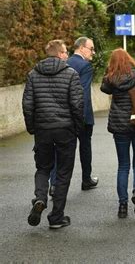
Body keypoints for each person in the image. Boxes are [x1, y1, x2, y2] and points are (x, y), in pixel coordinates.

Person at [22, 39, 83, 229]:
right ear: (58, 53)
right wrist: (77, 128)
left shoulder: (33, 74)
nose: (67, 55)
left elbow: (27, 105)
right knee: (63, 173)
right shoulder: (71, 74)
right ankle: (56, 217)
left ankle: (40, 198)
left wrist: (32, 127)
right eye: (65, 52)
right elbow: (77, 105)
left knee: (43, 168)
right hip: (65, 130)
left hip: (43, 130)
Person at [100, 48, 135, 219]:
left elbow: (104, 88)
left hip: (120, 127)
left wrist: (108, 71)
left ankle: (122, 205)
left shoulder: (111, 78)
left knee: (123, 165)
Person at [49, 36, 99, 193]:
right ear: (82, 48)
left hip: (62, 115)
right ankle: (86, 180)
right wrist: (80, 118)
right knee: (85, 147)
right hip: (81, 117)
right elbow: (82, 94)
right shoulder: (85, 66)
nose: (93, 53)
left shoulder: (64, 63)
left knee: (59, 149)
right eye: (91, 49)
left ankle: (54, 183)